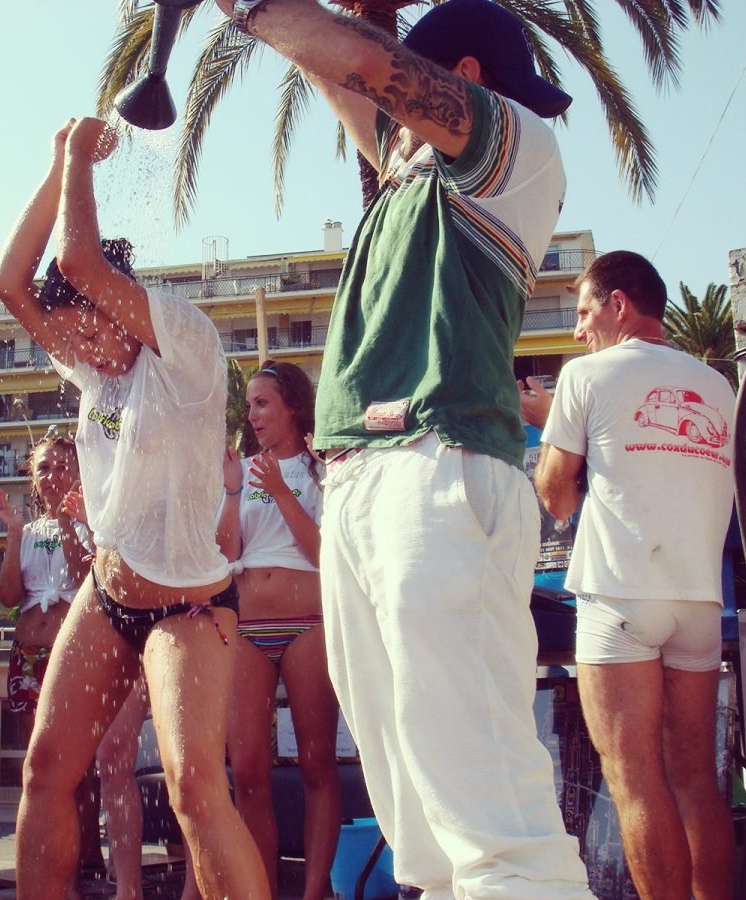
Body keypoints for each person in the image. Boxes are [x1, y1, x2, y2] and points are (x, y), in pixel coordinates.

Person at [212, 0, 591, 894]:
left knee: (494, 824)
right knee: (423, 833)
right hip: (365, 481)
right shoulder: (404, 172)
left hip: (438, 466)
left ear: (459, 85)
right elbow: (340, 72)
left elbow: (365, 65)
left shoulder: (517, 145)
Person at [0, 116, 269, 899]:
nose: (82, 356)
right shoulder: (96, 371)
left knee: (195, 789)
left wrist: (83, 155)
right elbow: (11, 284)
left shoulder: (183, 346)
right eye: (71, 344)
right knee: (46, 769)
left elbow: (76, 260)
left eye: (89, 334)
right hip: (108, 594)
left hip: (191, 607)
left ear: (119, 304)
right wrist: (57, 162)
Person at [535, 250, 736, 899]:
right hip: (699, 600)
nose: (578, 330)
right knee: (695, 778)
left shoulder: (585, 375)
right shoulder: (718, 385)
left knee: (634, 779)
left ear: (619, 305)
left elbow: (555, 494)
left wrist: (553, 434)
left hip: (620, 594)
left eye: (584, 312)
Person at [216, 360, 339, 900]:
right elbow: (226, 555)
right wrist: (233, 493)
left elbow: (324, 555)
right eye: (250, 405)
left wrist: (283, 492)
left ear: (293, 406)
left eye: (262, 403)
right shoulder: (241, 470)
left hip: (308, 623)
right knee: (246, 770)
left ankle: (314, 892)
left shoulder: (323, 470)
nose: (252, 415)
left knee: (317, 762)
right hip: (247, 626)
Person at [0, 436, 106, 897]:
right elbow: (8, 596)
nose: (53, 475)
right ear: (33, 478)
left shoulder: (89, 522)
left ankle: (81, 866)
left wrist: (65, 521)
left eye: (62, 466)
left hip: (70, 653)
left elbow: (83, 579)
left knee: (76, 769)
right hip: (28, 653)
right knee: (38, 766)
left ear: (78, 471)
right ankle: (49, 871)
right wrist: (13, 534)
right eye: (44, 468)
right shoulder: (28, 530)